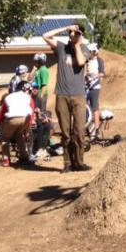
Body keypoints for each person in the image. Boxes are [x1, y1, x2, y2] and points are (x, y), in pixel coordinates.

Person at [42, 22, 90, 173]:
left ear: (81, 35)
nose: (72, 35)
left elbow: (81, 62)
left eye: (76, 33)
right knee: (65, 132)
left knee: (79, 132)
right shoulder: (61, 47)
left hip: (78, 95)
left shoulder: (84, 49)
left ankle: (79, 162)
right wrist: (65, 28)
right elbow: (45, 36)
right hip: (62, 95)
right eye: (70, 32)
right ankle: (67, 164)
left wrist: (77, 43)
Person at [0, 78, 36, 167]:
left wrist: (0, 123)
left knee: (5, 137)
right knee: (19, 135)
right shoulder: (28, 98)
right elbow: (31, 112)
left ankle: (6, 160)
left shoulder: (9, 97)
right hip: (25, 118)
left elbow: (2, 113)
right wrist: (28, 127)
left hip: (12, 119)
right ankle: (24, 157)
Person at [84, 43, 105, 140]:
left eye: (89, 52)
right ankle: (88, 128)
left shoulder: (99, 61)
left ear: (94, 52)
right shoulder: (86, 61)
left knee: (95, 108)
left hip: (95, 86)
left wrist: (95, 76)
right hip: (86, 86)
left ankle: (96, 130)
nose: (88, 53)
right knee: (85, 108)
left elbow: (102, 73)